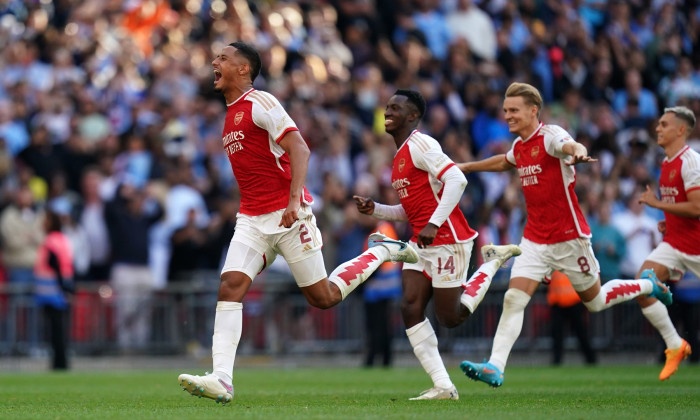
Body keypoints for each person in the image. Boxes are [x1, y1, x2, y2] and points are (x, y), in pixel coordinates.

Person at [177, 42, 418, 405]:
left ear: (244, 69)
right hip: (252, 220)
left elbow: (300, 148)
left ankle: (382, 251)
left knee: (323, 298)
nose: (215, 61)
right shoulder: (229, 114)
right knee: (229, 286)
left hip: (290, 217)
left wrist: (293, 201)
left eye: (224, 58)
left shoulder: (261, 103)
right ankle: (222, 379)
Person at [457, 82, 672, 388]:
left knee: (595, 301)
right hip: (534, 238)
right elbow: (505, 162)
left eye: (514, 110)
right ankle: (495, 366)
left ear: (533, 110)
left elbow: (570, 146)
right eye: (505, 111)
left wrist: (579, 152)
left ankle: (647, 284)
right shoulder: (520, 147)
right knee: (513, 299)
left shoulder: (550, 136)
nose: (508, 116)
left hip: (570, 238)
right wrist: (466, 166)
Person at [353, 89, 521, 400]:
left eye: (395, 108)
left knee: (450, 317)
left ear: (413, 116)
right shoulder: (400, 155)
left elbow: (458, 179)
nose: (387, 112)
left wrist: (434, 223)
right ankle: (443, 385)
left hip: (448, 240)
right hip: (422, 241)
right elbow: (410, 211)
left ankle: (493, 262)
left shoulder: (422, 144)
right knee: (410, 306)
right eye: (386, 107)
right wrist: (374, 208)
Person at [636, 105, 700, 380]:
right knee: (642, 286)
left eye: (664, 124)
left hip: (696, 244)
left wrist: (658, 204)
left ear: (681, 130)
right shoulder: (666, 163)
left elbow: (697, 208)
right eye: (658, 124)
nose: (658, 128)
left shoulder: (690, 162)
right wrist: (668, 219)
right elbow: (680, 204)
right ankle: (675, 344)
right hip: (675, 242)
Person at [34, 207, 74, 370]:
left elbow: (54, 264)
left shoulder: (51, 240)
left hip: (52, 292)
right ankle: (61, 361)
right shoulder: (63, 239)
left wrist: (62, 288)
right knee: (60, 329)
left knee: (55, 330)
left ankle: (59, 363)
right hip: (60, 288)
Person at [546, 271, 596, 366]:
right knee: (558, 334)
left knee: (580, 333)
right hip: (559, 302)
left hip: (573, 301)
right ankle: (557, 360)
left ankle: (590, 358)